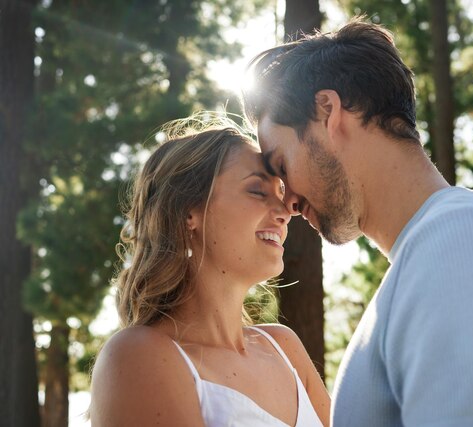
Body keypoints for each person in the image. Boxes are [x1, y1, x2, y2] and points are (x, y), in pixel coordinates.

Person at [242, 18, 473, 427]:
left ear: (329, 110)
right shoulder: (429, 260)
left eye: (282, 165)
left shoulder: (466, 243)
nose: (290, 202)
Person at [90, 119, 330, 427]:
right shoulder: (137, 356)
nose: (284, 212)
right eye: (257, 191)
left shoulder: (284, 347)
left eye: (280, 193)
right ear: (189, 211)